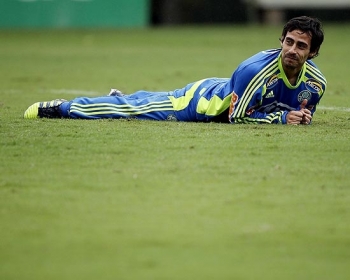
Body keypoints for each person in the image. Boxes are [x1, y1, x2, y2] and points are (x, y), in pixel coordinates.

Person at [24, 16, 326, 125]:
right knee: (131, 111)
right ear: (280, 40)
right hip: (199, 104)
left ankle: (122, 97)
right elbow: (237, 117)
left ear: (312, 54)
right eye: (288, 41)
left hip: (226, 91)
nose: (292, 49)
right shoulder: (254, 71)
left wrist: (299, 118)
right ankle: (61, 108)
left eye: (301, 46)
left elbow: (297, 112)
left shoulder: (316, 84)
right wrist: (282, 119)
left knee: (136, 104)